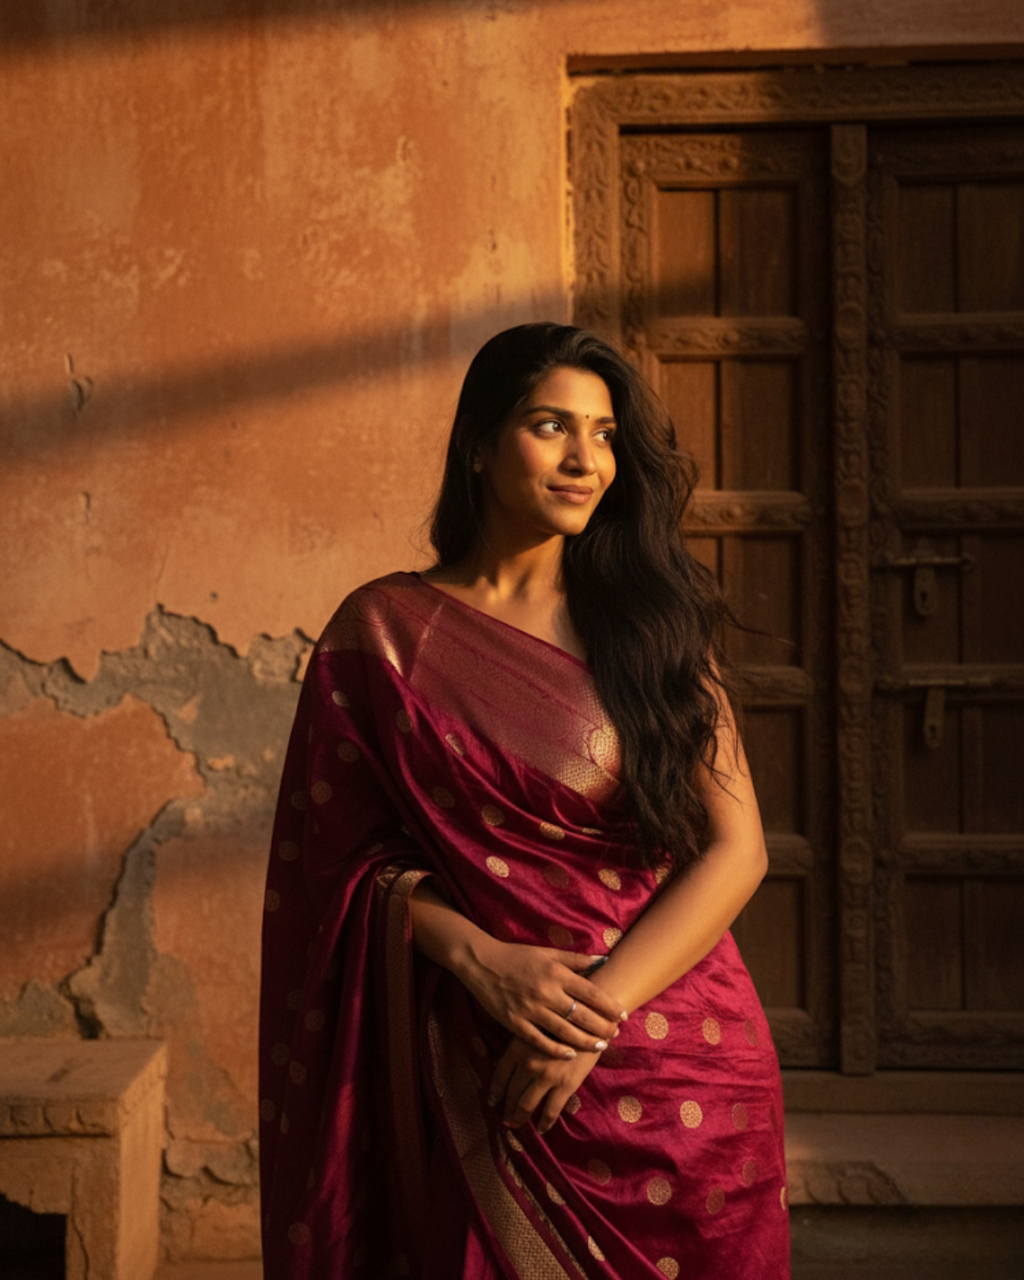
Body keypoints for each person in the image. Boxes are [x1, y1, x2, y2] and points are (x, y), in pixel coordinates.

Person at [259, 323, 790, 1279]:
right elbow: (335, 867)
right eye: (552, 426)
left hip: (680, 1071)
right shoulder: (382, 636)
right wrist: (481, 958)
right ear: (478, 444)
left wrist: (589, 1021)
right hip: (483, 1063)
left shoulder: (653, 624)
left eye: (604, 434)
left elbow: (736, 850)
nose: (586, 459)